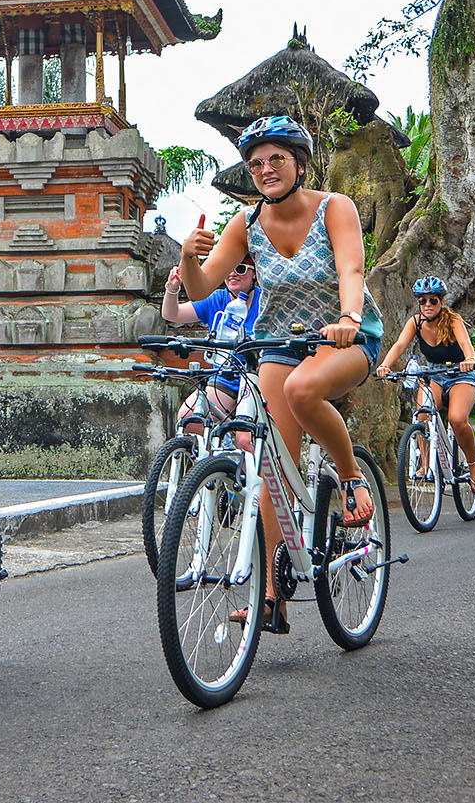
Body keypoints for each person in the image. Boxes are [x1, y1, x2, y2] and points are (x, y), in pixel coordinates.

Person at [177, 115, 382, 636]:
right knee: (271, 469)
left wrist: (349, 317)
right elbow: (201, 288)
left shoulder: (335, 207)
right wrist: (187, 257)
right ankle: (272, 597)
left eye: (276, 160)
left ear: (300, 164)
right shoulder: (245, 224)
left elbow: (351, 269)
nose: (266, 170)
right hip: (278, 342)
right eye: (256, 164)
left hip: (346, 337)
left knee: (302, 389)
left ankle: (351, 478)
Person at [376, 276, 475, 492]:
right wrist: (385, 365)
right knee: (422, 416)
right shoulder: (415, 322)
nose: (427, 305)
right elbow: (400, 345)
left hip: (460, 374)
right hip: (434, 375)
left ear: (441, 302)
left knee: (457, 419)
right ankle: (426, 465)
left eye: (433, 300)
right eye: (422, 301)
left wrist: (470, 359)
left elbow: (465, 343)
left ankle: (474, 466)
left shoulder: (453, 320)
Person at [160, 255, 260, 429]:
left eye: (240, 269)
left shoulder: (265, 301)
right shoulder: (217, 299)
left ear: (254, 274)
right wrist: (173, 287)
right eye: (228, 269)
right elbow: (171, 314)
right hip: (224, 377)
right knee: (188, 417)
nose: (233, 274)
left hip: (258, 378)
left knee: (246, 436)